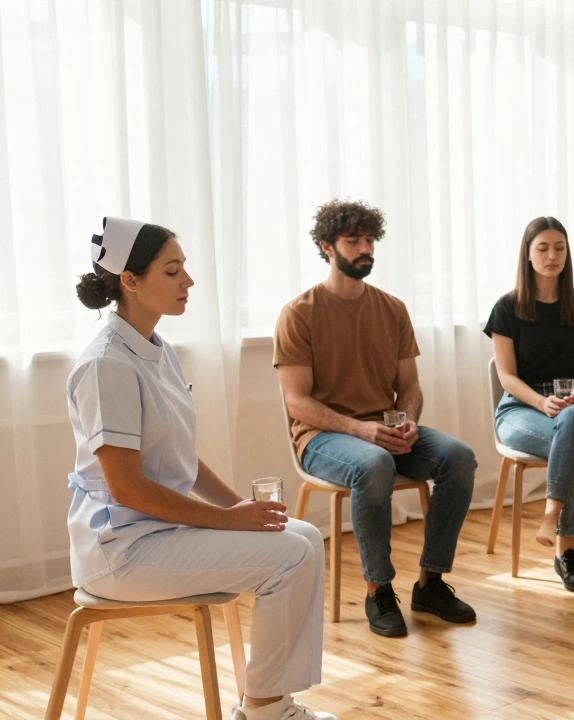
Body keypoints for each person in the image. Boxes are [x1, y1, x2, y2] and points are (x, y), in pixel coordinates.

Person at [68, 218, 334, 720]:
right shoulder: (106, 365)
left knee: (301, 537)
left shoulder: (156, 349)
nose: (188, 281)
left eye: (184, 268)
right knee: (290, 557)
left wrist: (240, 508)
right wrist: (229, 520)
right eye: (172, 271)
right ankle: (264, 710)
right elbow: (128, 489)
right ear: (130, 280)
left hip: (158, 531)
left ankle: (274, 700)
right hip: (122, 550)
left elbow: (179, 457)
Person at [274, 199, 476, 639]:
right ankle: (378, 591)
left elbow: (410, 386)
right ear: (327, 246)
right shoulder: (299, 313)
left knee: (458, 457)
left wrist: (409, 421)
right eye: (353, 241)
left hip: (383, 430)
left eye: (370, 240)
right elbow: (297, 402)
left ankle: (430, 584)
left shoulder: (392, 309)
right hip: (323, 437)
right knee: (374, 463)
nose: (365, 249)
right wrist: (359, 429)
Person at [484, 216, 574, 593]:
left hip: (569, 409)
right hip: (519, 408)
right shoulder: (507, 308)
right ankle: (566, 547)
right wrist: (541, 401)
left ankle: (553, 516)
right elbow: (506, 376)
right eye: (543, 248)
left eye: (559, 248)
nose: (552, 256)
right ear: (528, 253)